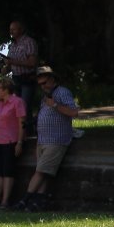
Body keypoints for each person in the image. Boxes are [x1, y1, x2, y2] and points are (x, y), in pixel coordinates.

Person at [22, 66, 79, 207]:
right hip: (43, 140)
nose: (42, 86)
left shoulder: (62, 92)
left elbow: (74, 112)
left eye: (44, 83)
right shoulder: (45, 96)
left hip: (56, 139)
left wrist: (54, 105)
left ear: (52, 79)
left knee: (40, 171)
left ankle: (24, 200)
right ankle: (39, 201)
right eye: (40, 84)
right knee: (43, 172)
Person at [0, 76, 26, 210]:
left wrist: (19, 142)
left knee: (8, 171)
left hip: (10, 141)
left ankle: (5, 201)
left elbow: (22, 123)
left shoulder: (17, 102)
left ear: (6, 90)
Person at [3, 20, 39, 136]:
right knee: (17, 106)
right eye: (10, 29)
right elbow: (10, 63)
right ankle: (22, 132)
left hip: (27, 78)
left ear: (21, 29)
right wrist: (6, 68)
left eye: (13, 29)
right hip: (16, 79)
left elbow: (32, 62)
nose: (11, 32)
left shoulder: (29, 42)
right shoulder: (13, 45)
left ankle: (28, 132)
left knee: (25, 105)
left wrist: (13, 62)